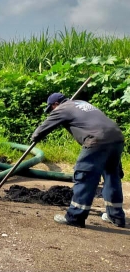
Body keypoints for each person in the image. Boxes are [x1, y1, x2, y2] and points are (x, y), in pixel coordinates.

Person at [31, 92, 126, 228]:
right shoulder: (82, 103)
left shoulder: (62, 108)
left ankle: (75, 216)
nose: (51, 111)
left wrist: (35, 137)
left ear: (55, 105)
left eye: (51, 109)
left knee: (84, 176)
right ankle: (116, 217)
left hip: (96, 140)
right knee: (112, 176)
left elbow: (43, 128)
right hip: (116, 138)